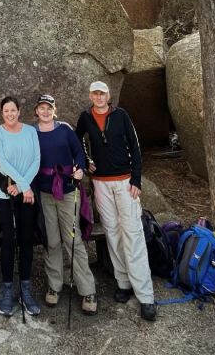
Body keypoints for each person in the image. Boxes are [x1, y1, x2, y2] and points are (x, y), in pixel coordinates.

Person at [75, 81, 157, 322]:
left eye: (102, 93)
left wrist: (137, 179)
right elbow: (77, 141)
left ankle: (146, 295)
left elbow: (135, 146)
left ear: (108, 96)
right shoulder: (85, 117)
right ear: (90, 95)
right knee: (112, 231)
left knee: (132, 232)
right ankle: (123, 282)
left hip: (124, 181)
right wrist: (86, 160)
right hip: (100, 182)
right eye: (95, 93)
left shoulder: (120, 115)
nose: (99, 97)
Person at [34, 94, 98, 315]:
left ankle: (87, 289)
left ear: (54, 110)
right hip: (45, 192)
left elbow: (78, 152)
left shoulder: (64, 130)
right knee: (52, 240)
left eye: (48, 107)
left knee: (73, 239)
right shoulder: (32, 133)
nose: (45, 111)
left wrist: (80, 168)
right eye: (41, 107)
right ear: (36, 111)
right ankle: (55, 285)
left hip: (68, 190)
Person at [0, 95, 41, 317]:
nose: (10, 114)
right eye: (6, 111)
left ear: (19, 111)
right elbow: (2, 163)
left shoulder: (31, 132)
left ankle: (26, 289)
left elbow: (36, 160)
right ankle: (7, 289)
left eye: (13, 110)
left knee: (27, 240)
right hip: (5, 194)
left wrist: (23, 187)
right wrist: (22, 185)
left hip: (25, 193)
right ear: (2, 113)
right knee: (9, 240)